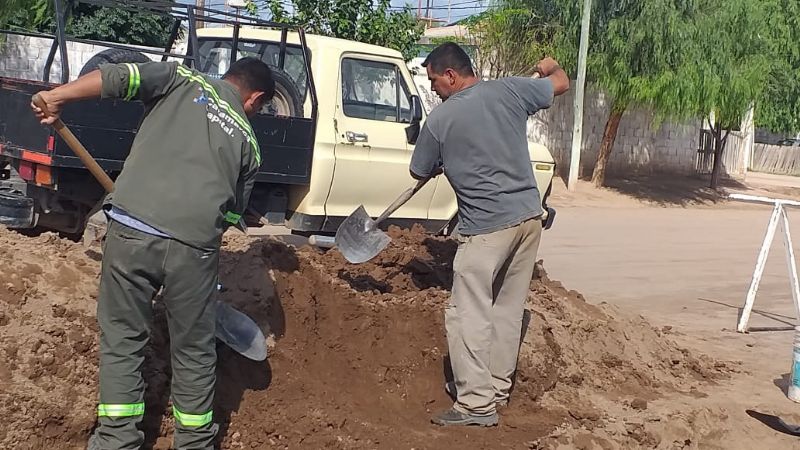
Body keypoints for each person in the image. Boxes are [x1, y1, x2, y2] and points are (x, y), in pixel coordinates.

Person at [31, 56, 274, 449]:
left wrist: (59, 96)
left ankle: (116, 439)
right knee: (194, 353)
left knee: (123, 339)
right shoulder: (250, 144)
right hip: (193, 249)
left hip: (133, 230)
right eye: (259, 108)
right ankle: (194, 443)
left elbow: (118, 77)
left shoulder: (181, 79)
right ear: (255, 99)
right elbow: (230, 216)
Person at [409, 42, 569, 427]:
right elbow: (561, 82)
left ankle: (475, 404)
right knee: (506, 310)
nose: (432, 89)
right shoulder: (510, 89)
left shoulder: (440, 120)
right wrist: (550, 65)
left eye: (434, 81)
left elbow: (418, 170)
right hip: (528, 219)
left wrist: (443, 157)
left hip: (486, 228)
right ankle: (495, 389)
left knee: (467, 313)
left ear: (451, 75)